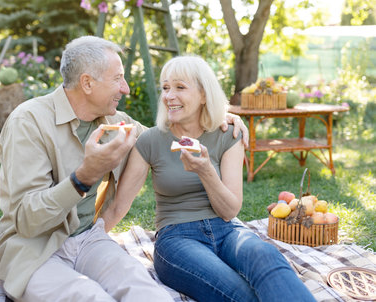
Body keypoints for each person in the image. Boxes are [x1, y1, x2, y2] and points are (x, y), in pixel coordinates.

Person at [0, 36, 249, 302]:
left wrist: (218, 116)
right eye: (118, 79)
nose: (125, 88)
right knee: (88, 296)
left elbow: (163, 140)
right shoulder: (28, 122)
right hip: (33, 249)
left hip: (88, 239)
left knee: (148, 294)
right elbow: (26, 219)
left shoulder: (117, 123)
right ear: (87, 83)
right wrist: (83, 178)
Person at [102, 55, 317, 302]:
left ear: (204, 95)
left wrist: (206, 172)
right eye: (165, 88)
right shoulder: (150, 140)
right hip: (176, 238)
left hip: (228, 230)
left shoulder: (228, 134)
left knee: (266, 257)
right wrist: (83, 244)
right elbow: (119, 206)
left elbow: (230, 211)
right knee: (237, 293)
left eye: (180, 87)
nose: (169, 96)